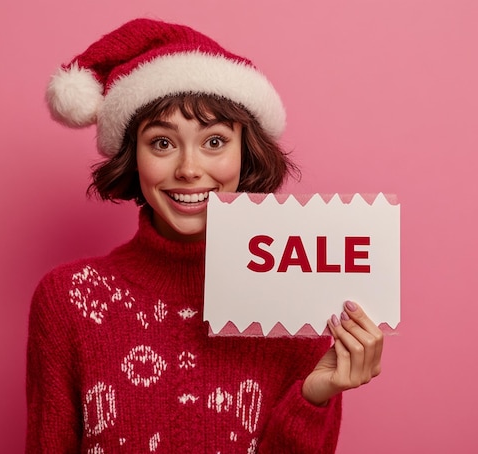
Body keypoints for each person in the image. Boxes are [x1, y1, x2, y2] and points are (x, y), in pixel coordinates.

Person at [27, 18, 383, 453]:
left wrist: (314, 397)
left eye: (214, 142)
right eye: (162, 143)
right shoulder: (67, 300)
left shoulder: (298, 301)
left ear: (245, 152)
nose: (189, 169)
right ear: (131, 156)